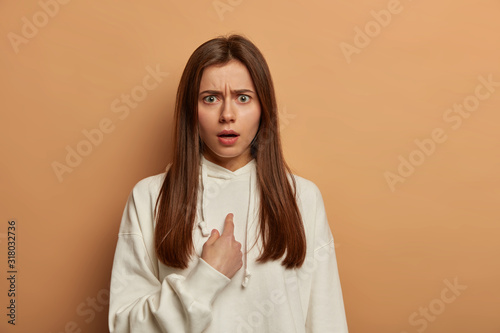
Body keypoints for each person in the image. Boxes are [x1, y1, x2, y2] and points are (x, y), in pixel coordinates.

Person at [108, 34, 349, 333]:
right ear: (190, 112)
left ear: (263, 109)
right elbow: (127, 327)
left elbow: (327, 321)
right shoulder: (149, 197)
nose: (227, 115)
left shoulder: (302, 198)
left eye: (243, 97)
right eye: (210, 98)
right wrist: (207, 277)